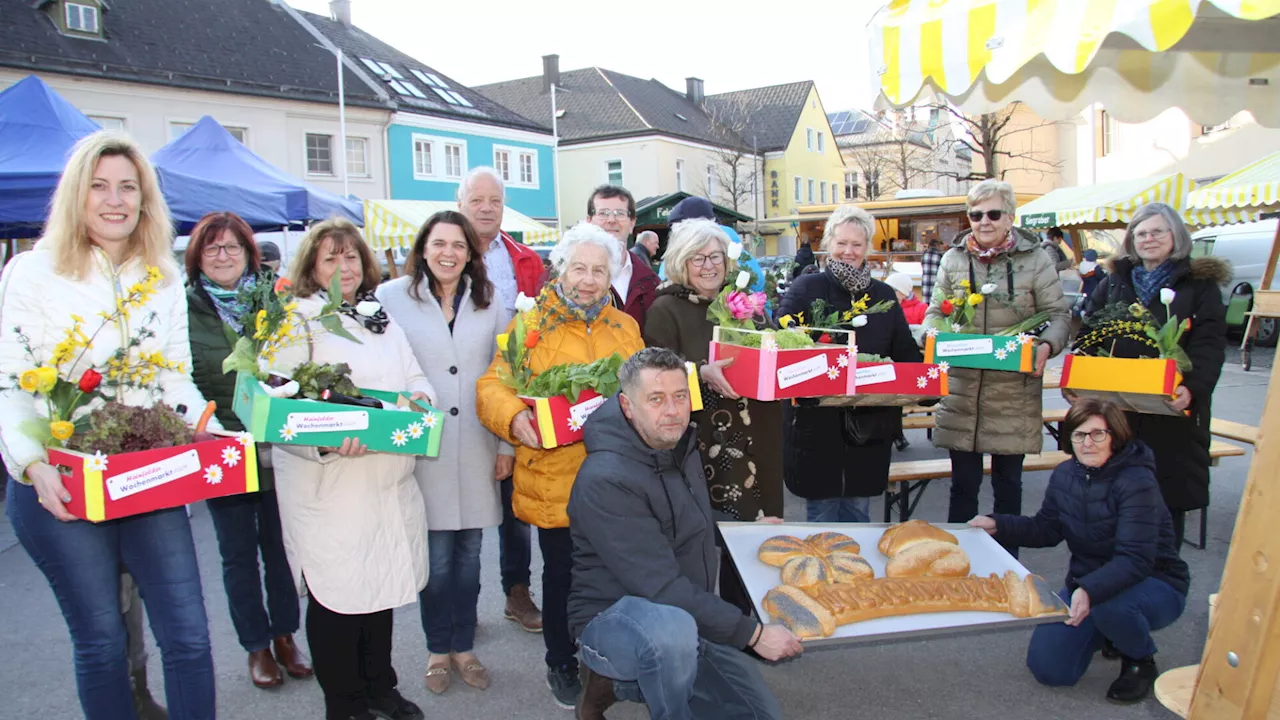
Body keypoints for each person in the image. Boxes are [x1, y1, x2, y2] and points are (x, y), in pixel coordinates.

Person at [0, 130, 218, 720]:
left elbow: (174, 378)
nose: (114, 199)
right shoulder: (32, 271)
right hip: (63, 484)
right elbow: (12, 385)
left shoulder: (164, 274)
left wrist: (209, 427)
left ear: (145, 199)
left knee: (190, 640)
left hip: (148, 479)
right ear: (77, 195)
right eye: (99, 186)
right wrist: (34, 465)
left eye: (128, 187)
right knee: (101, 644)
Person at [568, 348, 802, 720]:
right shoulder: (606, 478)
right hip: (612, 617)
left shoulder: (676, 443)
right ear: (628, 407)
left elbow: (687, 516)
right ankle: (613, 679)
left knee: (759, 716)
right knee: (670, 632)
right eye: (656, 399)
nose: (673, 410)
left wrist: (739, 529)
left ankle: (644, 676)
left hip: (684, 615)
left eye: (680, 397)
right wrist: (752, 635)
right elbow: (661, 588)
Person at [476, 222, 644, 709]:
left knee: (617, 575)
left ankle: (610, 663)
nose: (588, 279)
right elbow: (492, 386)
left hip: (618, 477)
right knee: (564, 577)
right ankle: (561, 661)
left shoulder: (624, 326)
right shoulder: (529, 327)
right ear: (560, 269)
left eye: (599, 270)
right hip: (556, 477)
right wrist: (514, 418)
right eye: (579, 268)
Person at [271, 218, 434, 720]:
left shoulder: (376, 313)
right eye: (330, 258)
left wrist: (421, 399)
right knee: (338, 600)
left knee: (378, 590)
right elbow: (278, 405)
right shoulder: (296, 319)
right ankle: (344, 703)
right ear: (311, 268)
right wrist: (324, 443)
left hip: (385, 481)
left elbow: (413, 375)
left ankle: (379, 687)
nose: (343, 267)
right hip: (331, 485)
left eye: (350, 257)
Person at [969, 398, 1189, 703]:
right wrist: (998, 525)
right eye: (1079, 435)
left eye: (1098, 434)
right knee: (1050, 670)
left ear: (1116, 435)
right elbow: (1047, 528)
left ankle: (1139, 659)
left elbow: (1136, 559)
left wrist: (1086, 590)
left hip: (1154, 582)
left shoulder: (1137, 480)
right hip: (1090, 581)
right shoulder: (1064, 475)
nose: (1088, 443)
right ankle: (1107, 631)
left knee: (1112, 608)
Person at [376, 211, 508, 695]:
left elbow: (506, 374)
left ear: (471, 253)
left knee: (470, 555)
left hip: (476, 443)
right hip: (422, 448)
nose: (448, 253)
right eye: (439, 243)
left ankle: (464, 646)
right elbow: (380, 370)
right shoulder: (391, 298)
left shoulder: (490, 302)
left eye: (458, 245)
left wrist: (507, 444)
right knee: (435, 558)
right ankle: (437, 649)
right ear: (423, 248)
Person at [184, 211, 311, 688]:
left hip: (276, 441)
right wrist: (211, 430)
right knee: (237, 553)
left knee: (280, 547)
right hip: (221, 447)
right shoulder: (185, 306)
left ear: (247, 254)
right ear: (198, 256)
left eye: (232, 247)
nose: (222, 256)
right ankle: (255, 646)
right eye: (213, 248)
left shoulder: (273, 300)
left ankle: (284, 636)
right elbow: (184, 376)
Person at [641, 218, 784, 612]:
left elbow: (771, 351)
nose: (709, 266)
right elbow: (654, 377)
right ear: (681, 263)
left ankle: (749, 624)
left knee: (757, 538)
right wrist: (699, 371)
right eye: (697, 258)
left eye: (716, 257)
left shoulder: (746, 302)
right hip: (703, 443)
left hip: (760, 436)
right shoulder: (665, 309)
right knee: (706, 541)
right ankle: (706, 628)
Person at [924, 180, 1071, 550]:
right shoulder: (952, 259)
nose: (984, 222)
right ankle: (958, 560)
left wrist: (1047, 344)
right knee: (963, 487)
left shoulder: (1036, 259)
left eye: (993, 213)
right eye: (976, 214)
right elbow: (932, 312)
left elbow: (1057, 315)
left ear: (1010, 217)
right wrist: (930, 335)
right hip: (962, 390)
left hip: (1012, 392)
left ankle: (1007, 563)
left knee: (1008, 486)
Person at [1075, 202, 1228, 548]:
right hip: (1116, 412)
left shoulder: (1199, 286)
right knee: (1112, 505)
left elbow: (1209, 346)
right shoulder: (1115, 281)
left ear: (1176, 236)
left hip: (1170, 414)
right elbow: (1088, 331)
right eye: (1141, 233)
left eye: (1158, 231)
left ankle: (1159, 589)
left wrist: (1191, 388)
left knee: (1162, 509)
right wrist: (1080, 374)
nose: (1149, 239)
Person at [779, 205, 923, 523]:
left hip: (869, 430)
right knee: (822, 519)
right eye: (842, 242)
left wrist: (928, 377)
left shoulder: (883, 295)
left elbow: (905, 353)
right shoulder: (807, 288)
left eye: (857, 245)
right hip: (817, 431)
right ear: (829, 242)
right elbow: (782, 334)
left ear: (867, 248)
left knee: (859, 516)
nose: (848, 251)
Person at [457, 166, 544, 633]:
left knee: (515, 504)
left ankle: (517, 592)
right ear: (461, 203)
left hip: (511, 391)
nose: (487, 208)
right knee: (468, 505)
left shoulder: (524, 258)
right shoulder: (445, 254)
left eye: (494, 200)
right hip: (457, 392)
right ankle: (462, 605)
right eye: (477, 200)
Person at [587, 185, 660, 331]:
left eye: (620, 213)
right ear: (589, 221)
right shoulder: (564, 277)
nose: (611, 220)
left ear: (632, 223)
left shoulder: (651, 282)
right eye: (603, 213)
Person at [920, 238, 943, 302]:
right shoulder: (939, 255)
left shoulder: (924, 254)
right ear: (937, 245)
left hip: (926, 283)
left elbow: (922, 265)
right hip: (936, 284)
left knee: (926, 305)